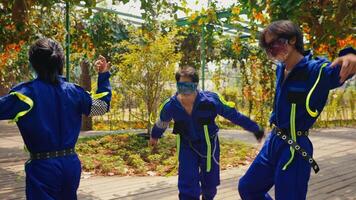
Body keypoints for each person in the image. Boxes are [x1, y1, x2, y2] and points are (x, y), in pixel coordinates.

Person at [238, 20, 356, 200]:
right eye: (267, 47)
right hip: (273, 142)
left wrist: (350, 55)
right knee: (248, 187)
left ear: (292, 40)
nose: (271, 50)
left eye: (274, 44)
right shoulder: (280, 69)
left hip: (294, 148)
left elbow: (337, 71)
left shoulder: (315, 70)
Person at [0, 37, 112, 199]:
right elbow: (102, 106)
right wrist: (103, 76)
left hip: (43, 168)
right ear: (60, 63)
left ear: (34, 64)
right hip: (71, 164)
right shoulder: (74, 92)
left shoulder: (25, 95)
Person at [149, 66, 265, 200]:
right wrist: (154, 136)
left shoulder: (211, 101)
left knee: (210, 186)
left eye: (189, 86)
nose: (185, 90)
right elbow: (162, 122)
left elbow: (233, 115)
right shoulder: (171, 105)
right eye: (181, 86)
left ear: (196, 86)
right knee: (187, 185)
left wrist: (254, 128)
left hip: (209, 146)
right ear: (177, 85)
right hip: (187, 146)